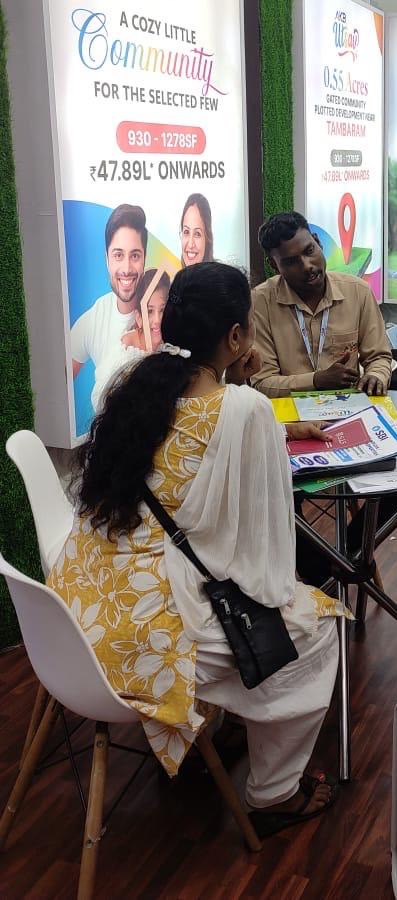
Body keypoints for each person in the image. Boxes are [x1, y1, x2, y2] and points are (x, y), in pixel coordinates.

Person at [49, 262, 346, 835]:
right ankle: (274, 792)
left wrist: (244, 393)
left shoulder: (137, 381)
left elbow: (189, 448)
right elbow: (260, 552)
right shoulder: (244, 409)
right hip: (141, 639)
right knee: (312, 629)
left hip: (74, 614)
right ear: (236, 336)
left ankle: (217, 723)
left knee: (229, 589)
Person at [251, 211, 393, 396]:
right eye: (291, 262)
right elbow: (262, 382)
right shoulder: (260, 302)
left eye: (309, 251)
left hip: (348, 406)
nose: (307, 266)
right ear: (274, 265)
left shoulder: (358, 291)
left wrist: (376, 375)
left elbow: (379, 357)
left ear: (318, 242)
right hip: (288, 412)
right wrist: (316, 381)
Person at [70, 204, 147, 413]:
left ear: (145, 257)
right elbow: (58, 383)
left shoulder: (162, 313)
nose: (127, 269)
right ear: (107, 259)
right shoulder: (93, 320)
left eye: (135, 255)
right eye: (118, 255)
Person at [123, 267, 171, 353]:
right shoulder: (127, 346)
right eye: (150, 311)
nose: (157, 320)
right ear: (139, 318)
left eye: (162, 310)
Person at [180, 193, 214, 266]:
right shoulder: (176, 272)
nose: (190, 245)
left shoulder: (221, 273)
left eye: (197, 234)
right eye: (186, 232)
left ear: (207, 239)